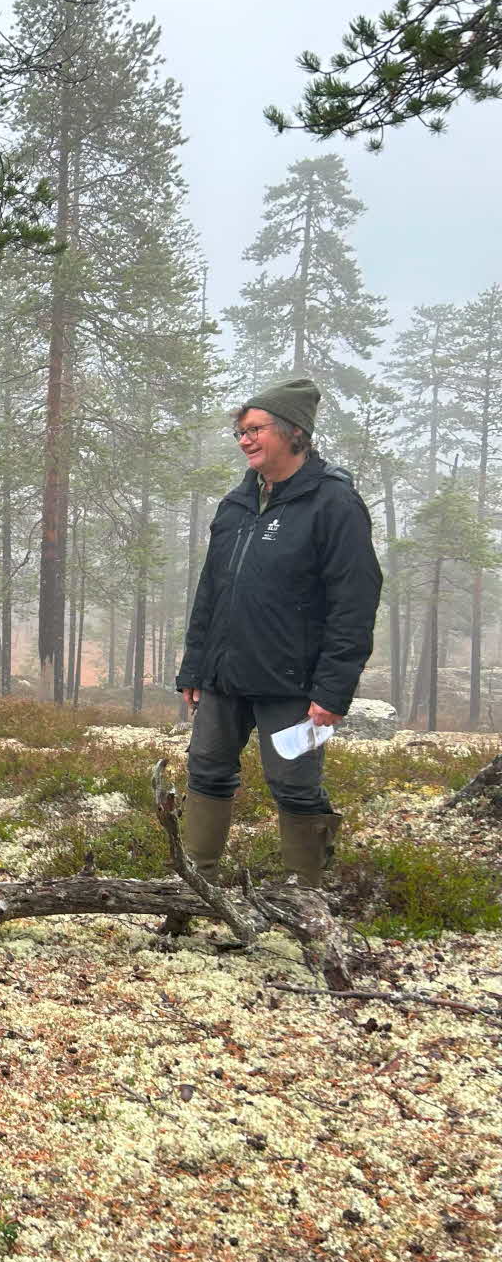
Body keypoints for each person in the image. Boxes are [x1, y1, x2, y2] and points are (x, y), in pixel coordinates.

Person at [173, 378, 381, 906]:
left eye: (255, 429)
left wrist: (333, 692)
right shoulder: (236, 503)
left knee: (294, 785)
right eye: (240, 431)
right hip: (224, 673)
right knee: (207, 771)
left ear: (295, 433)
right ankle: (195, 892)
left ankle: (304, 899)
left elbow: (354, 604)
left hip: (295, 682)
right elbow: (211, 591)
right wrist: (195, 667)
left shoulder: (333, 503)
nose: (244, 440)